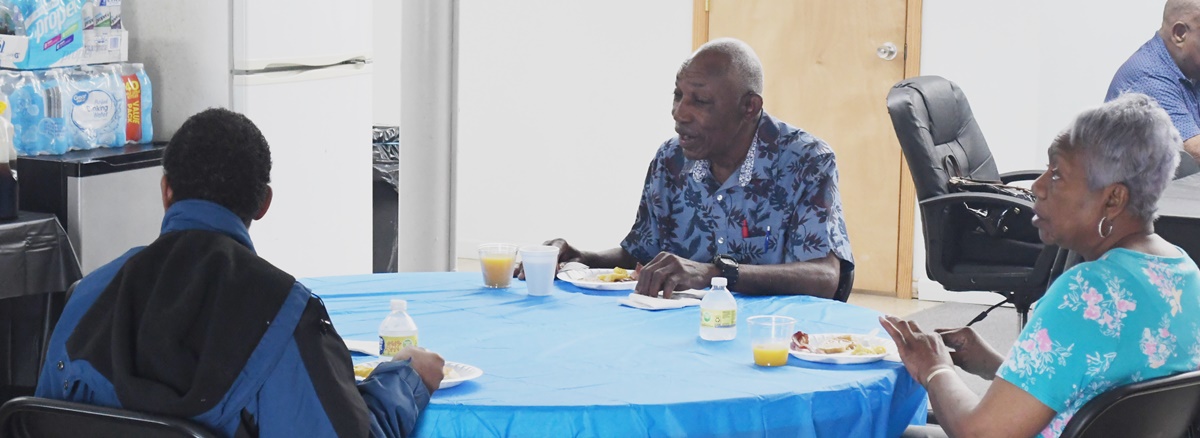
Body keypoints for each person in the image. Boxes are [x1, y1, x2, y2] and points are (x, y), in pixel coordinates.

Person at [35, 108, 444, 437]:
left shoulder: (87, 296)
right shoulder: (283, 315)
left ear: (166, 191)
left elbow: (44, 421)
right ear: (264, 203)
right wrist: (406, 379)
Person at [881, 93, 1200, 438]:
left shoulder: (1088, 293)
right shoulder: (1185, 273)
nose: (1038, 186)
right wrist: (995, 365)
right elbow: (1093, 391)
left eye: (1057, 175)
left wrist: (934, 368)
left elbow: (981, 433)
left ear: (1113, 199)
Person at [521, 37, 853, 298]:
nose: (680, 112)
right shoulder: (671, 159)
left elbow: (825, 277)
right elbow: (643, 254)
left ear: (749, 107)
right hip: (683, 332)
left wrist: (715, 274)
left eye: (700, 101)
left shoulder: (806, 161)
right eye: (678, 95)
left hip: (771, 337)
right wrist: (582, 258)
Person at [1107, 0, 1200, 177]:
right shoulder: (1149, 79)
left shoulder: (1191, 69)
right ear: (1179, 34)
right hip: (1138, 193)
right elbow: (1194, 151)